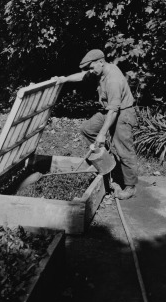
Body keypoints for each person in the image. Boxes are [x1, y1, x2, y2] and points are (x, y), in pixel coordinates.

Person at [54, 49, 138, 199]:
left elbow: (114, 111)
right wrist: (64, 79)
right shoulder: (100, 71)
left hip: (122, 114)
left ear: (101, 62)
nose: (90, 71)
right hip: (110, 110)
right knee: (87, 129)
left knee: (124, 149)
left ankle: (130, 186)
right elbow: (83, 76)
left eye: (92, 67)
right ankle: (107, 163)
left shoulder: (113, 79)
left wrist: (102, 134)